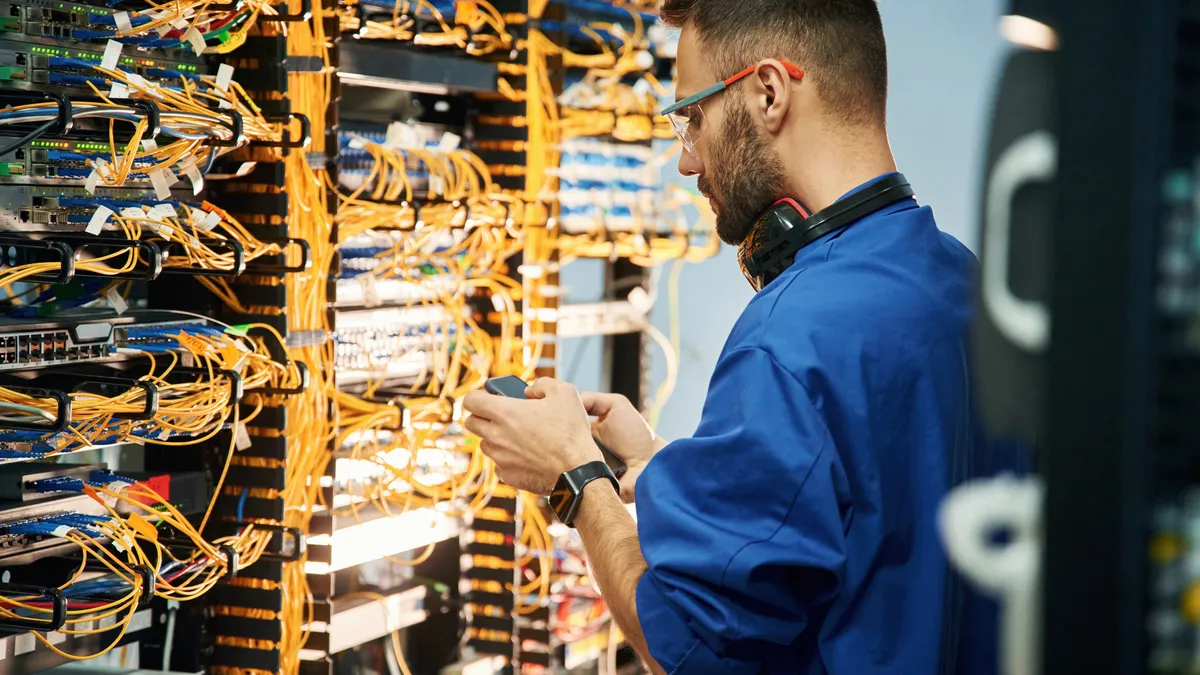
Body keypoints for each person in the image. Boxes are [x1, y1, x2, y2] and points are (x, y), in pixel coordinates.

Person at [463, 0, 990, 672]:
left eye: (692, 116)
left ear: (768, 93)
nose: (687, 162)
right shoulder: (957, 276)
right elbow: (872, 505)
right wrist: (657, 460)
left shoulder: (790, 338)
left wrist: (575, 475)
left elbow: (685, 648)